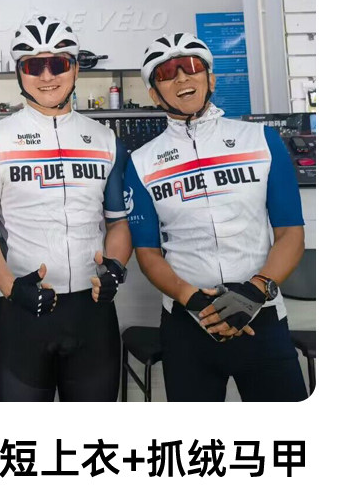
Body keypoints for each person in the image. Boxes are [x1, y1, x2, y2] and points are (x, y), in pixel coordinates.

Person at [123, 31, 308, 401]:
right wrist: (192, 300)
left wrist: (255, 291)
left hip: (262, 315)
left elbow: (290, 233)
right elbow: (148, 253)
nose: (181, 77)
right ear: (154, 94)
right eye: (166, 73)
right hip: (188, 322)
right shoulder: (141, 162)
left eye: (191, 66)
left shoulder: (262, 141)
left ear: (210, 78)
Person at [0, 15, 132, 401]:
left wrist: (116, 269)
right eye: (34, 66)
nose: (47, 76)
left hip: (92, 312)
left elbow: (118, 223)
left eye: (57, 64)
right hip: (24, 311)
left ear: (75, 68)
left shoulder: (105, 140)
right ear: (19, 74)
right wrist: (9, 287)